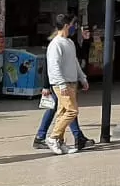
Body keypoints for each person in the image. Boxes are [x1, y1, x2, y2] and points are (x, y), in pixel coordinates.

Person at [33, 16, 94, 151]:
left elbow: (75, 62)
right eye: (73, 25)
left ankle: (59, 142)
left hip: (71, 83)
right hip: (63, 84)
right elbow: (53, 66)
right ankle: (53, 137)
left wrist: (82, 78)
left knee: (62, 111)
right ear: (66, 25)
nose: (74, 27)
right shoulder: (56, 44)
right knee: (72, 111)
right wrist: (59, 84)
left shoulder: (69, 43)